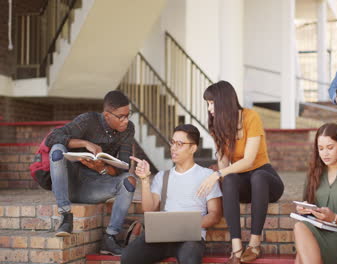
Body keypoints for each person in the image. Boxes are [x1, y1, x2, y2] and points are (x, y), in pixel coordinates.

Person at [197, 81, 284, 264]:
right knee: (228, 179)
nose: (209, 108)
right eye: (208, 104)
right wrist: (220, 142)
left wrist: (217, 174)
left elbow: (249, 160)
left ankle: (254, 243)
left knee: (257, 176)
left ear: (224, 102)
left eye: (212, 103)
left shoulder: (250, 117)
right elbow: (224, 166)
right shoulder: (218, 125)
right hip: (244, 183)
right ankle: (236, 247)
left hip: (266, 180)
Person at [45, 90, 136, 256]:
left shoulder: (128, 129)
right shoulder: (88, 120)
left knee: (129, 180)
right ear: (107, 115)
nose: (126, 120)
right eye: (121, 116)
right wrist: (85, 143)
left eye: (128, 115)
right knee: (57, 149)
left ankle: (110, 237)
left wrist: (100, 167)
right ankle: (66, 216)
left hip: (95, 186)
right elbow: (52, 138)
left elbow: (123, 166)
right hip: (70, 183)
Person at [121, 124, 223, 264]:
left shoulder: (207, 176)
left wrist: (187, 225)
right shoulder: (162, 176)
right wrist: (144, 179)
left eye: (180, 144)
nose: (173, 148)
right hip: (162, 237)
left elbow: (215, 214)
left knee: (190, 260)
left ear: (193, 148)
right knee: (128, 257)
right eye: (172, 142)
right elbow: (149, 209)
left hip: (191, 239)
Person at [293, 123, 337, 264]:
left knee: (302, 254)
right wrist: (304, 209)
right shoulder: (314, 173)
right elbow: (308, 206)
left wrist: (335, 218)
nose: (325, 153)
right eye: (321, 148)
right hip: (321, 230)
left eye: (330, 148)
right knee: (300, 226)